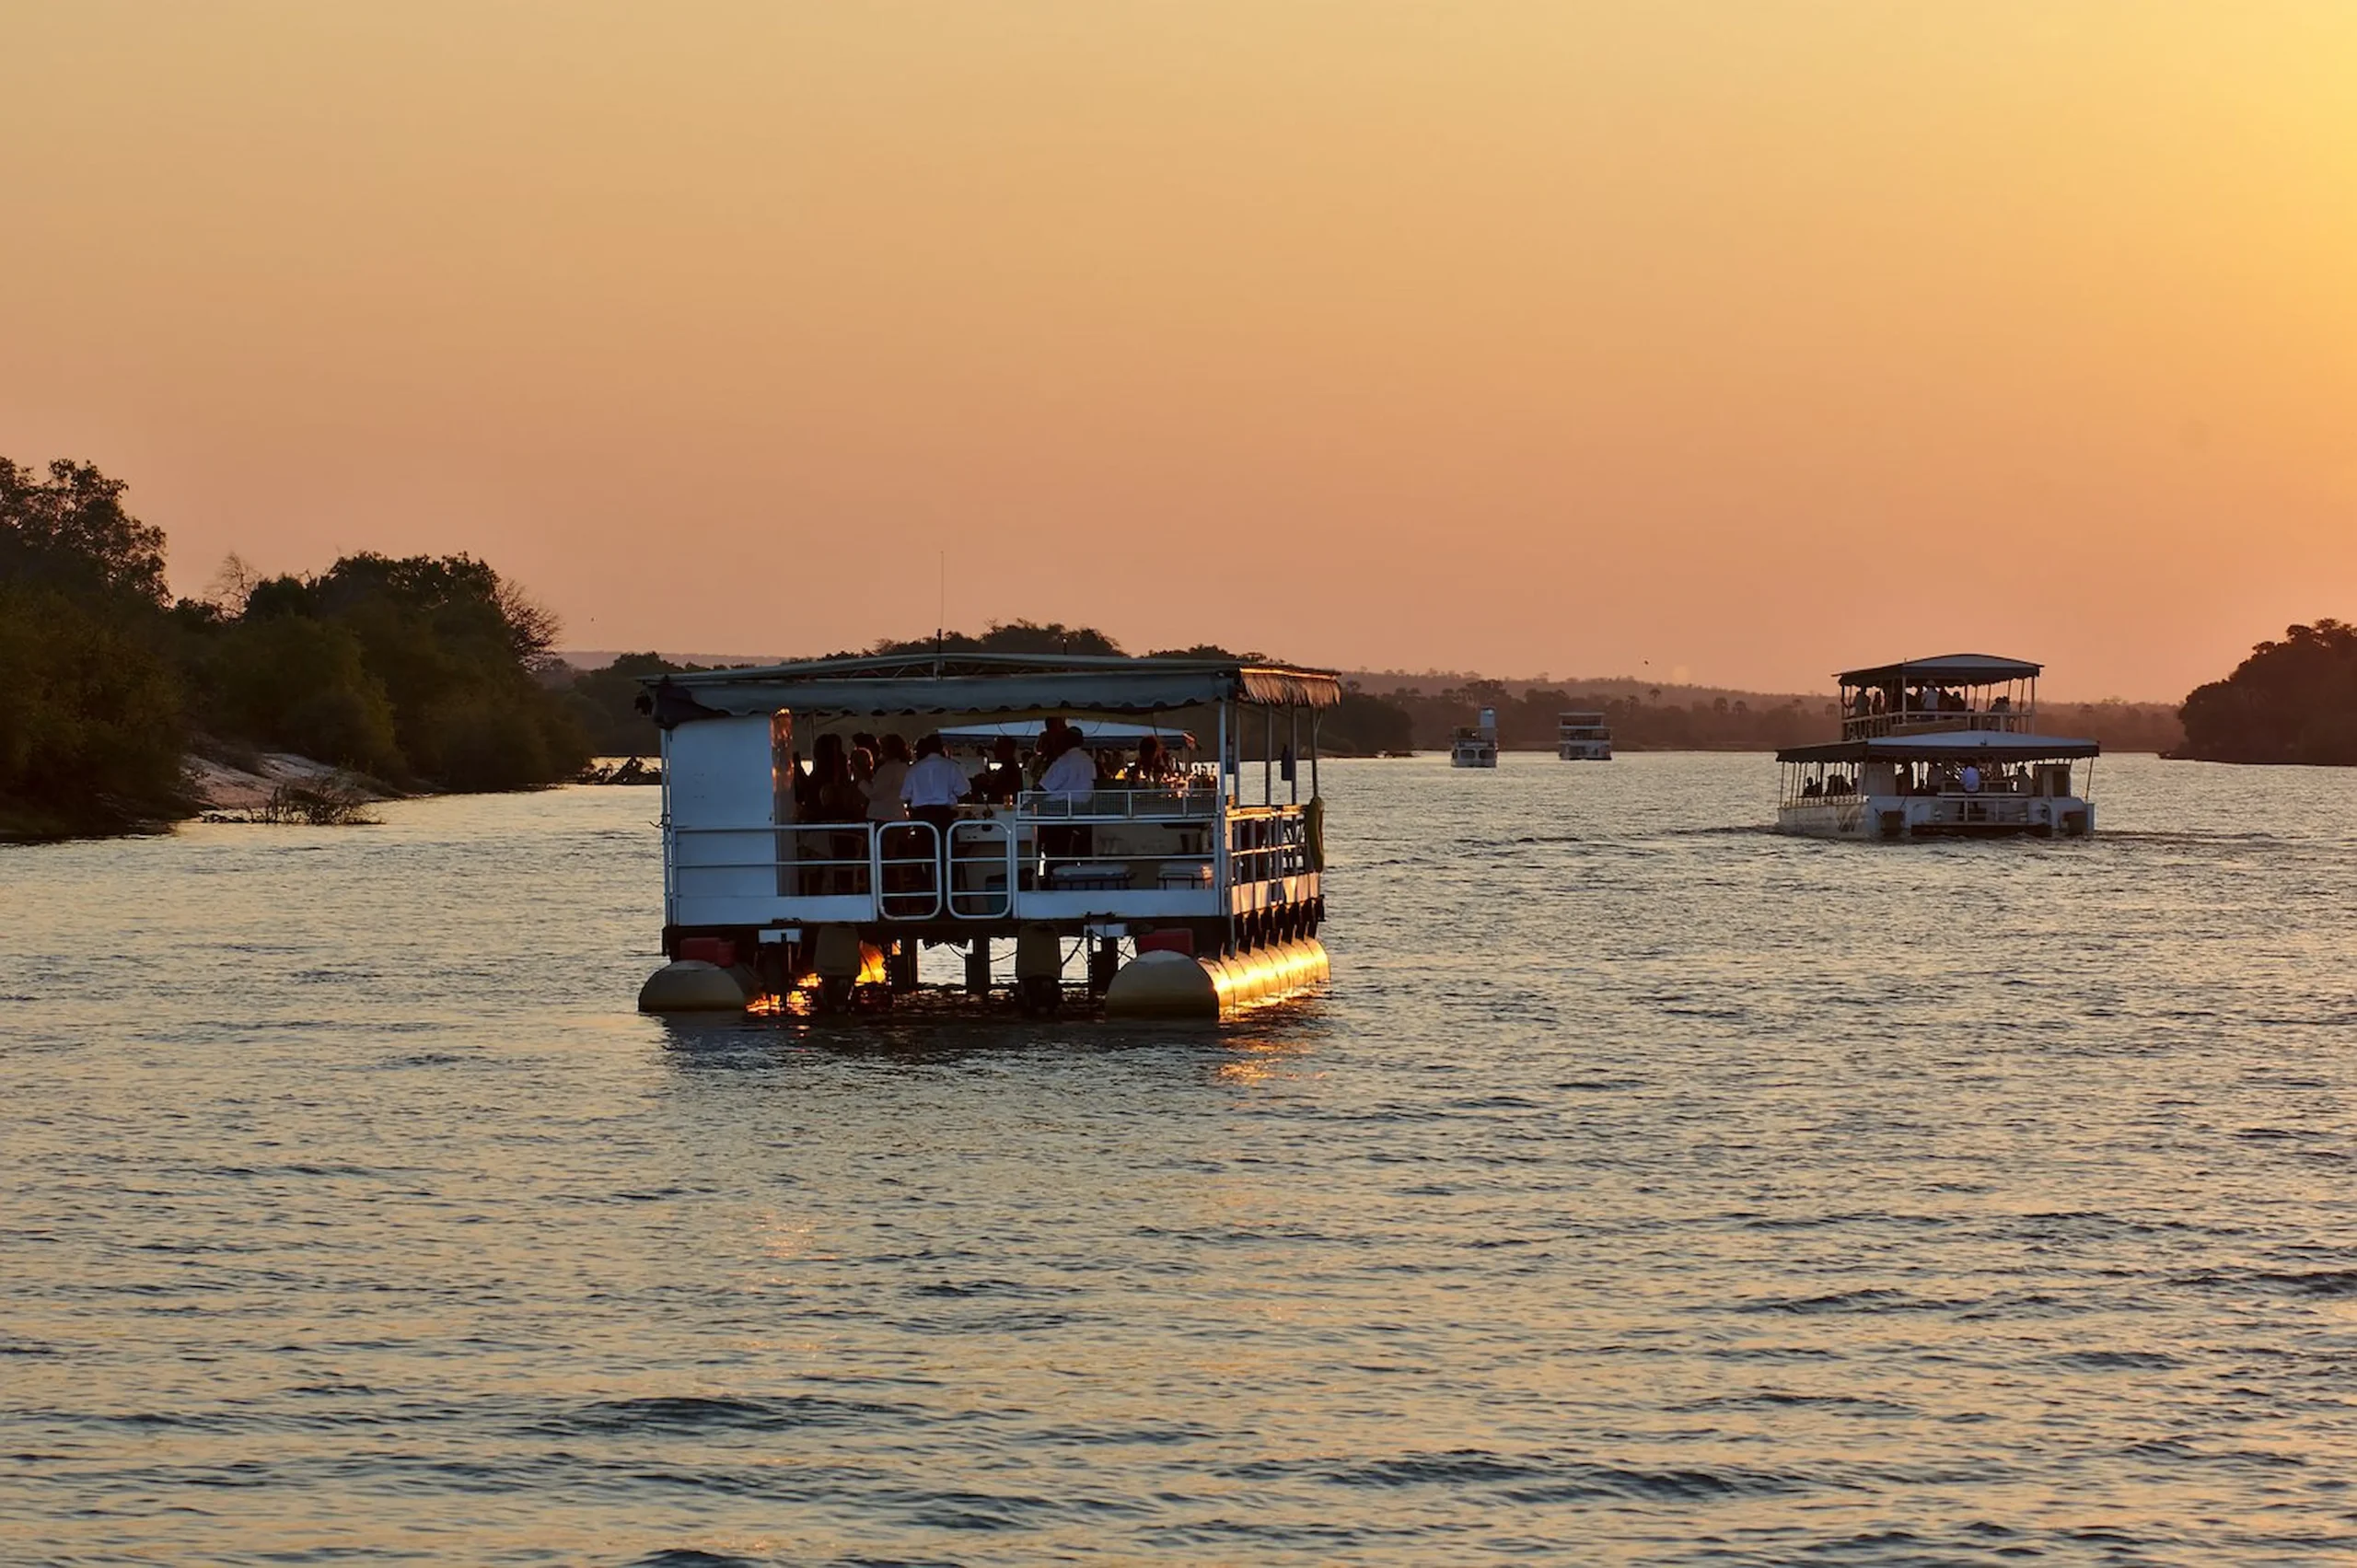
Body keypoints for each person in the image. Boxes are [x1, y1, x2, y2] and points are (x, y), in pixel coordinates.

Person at [867, 734, 911, 822]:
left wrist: (861, 782)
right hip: (897, 814)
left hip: (882, 815)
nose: (881, 751)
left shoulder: (887, 769)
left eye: (882, 748)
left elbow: (876, 794)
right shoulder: (904, 768)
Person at [971, 735, 1023, 806]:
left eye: (998, 748)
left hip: (1003, 808)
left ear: (1007, 750)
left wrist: (984, 784)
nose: (995, 751)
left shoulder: (1010, 770)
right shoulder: (1007, 768)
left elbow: (1001, 791)